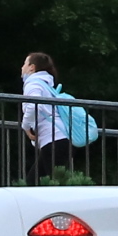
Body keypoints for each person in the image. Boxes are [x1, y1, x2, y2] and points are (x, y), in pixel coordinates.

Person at [20, 53, 77, 183]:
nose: (22, 67)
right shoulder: (45, 85)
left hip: (54, 140)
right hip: (59, 139)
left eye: (24, 64)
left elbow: (35, 105)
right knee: (37, 182)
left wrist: (25, 126)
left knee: (42, 184)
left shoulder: (33, 84)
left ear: (32, 67)